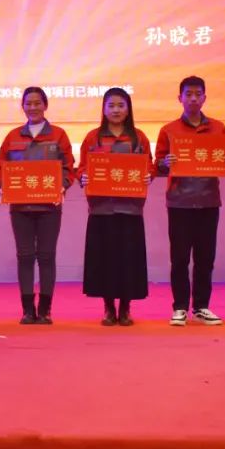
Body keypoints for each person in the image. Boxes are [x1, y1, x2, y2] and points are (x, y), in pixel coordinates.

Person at [0, 87, 75, 324]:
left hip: (49, 207)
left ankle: (45, 309)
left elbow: (68, 167)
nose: (33, 107)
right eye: (28, 103)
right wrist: (3, 186)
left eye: (37, 103)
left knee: (47, 256)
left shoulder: (59, 135)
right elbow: (1, 167)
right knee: (25, 256)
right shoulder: (12, 136)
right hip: (20, 208)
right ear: (22, 106)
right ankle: (28, 309)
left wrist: (62, 187)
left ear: (45, 105)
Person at [78, 87, 154, 326]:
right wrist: (83, 177)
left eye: (121, 105)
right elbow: (82, 167)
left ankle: (126, 308)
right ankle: (109, 308)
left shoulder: (139, 137)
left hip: (130, 208)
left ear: (128, 109)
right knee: (105, 259)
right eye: (111, 105)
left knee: (128, 259)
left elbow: (149, 166)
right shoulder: (93, 138)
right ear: (103, 109)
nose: (116, 110)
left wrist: (148, 175)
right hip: (102, 209)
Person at [155, 75, 225, 327]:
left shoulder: (218, 128)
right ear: (180, 98)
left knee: (205, 258)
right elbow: (157, 164)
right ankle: (179, 307)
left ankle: (201, 306)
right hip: (179, 202)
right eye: (189, 94)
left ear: (204, 97)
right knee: (179, 258)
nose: (193, 98)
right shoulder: (168, 130)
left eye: (198, 94)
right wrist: (164, 163)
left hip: (208, 200)